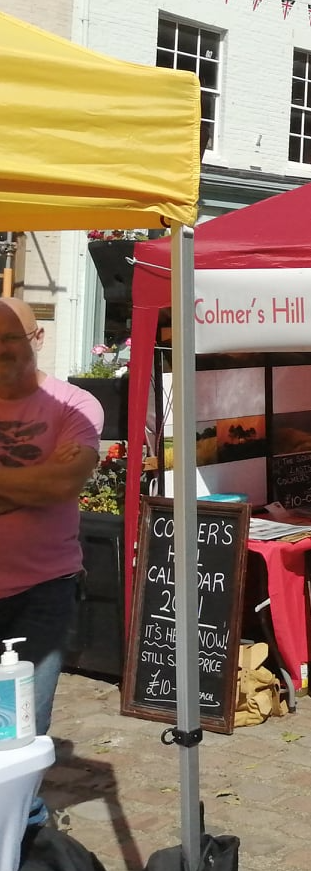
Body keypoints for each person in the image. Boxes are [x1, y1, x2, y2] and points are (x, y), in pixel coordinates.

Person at [0, 298, 104, 832]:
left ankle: (24, 829)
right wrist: (30, 486)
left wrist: (40, 487)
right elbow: (43, 484)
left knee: (22, 727)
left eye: (7, 344)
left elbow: (64, 484)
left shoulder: (74, 405)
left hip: (43, 587)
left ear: (37, 340)